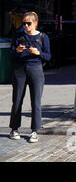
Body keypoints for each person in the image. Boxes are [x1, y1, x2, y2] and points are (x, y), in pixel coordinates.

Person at [9, 12, 51, 142]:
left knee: (36, 102)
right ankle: (14, 129)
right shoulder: (18, 36)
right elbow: (11, 54)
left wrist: (38, 53)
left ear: (35, 23)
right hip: (20, 70)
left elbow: (48, 56)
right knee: (17, 100)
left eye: (29, 23)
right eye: (24, 23)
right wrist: (17, 50)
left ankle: (34, 131)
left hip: (36, 70)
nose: (26, 26)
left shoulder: (43, 37)